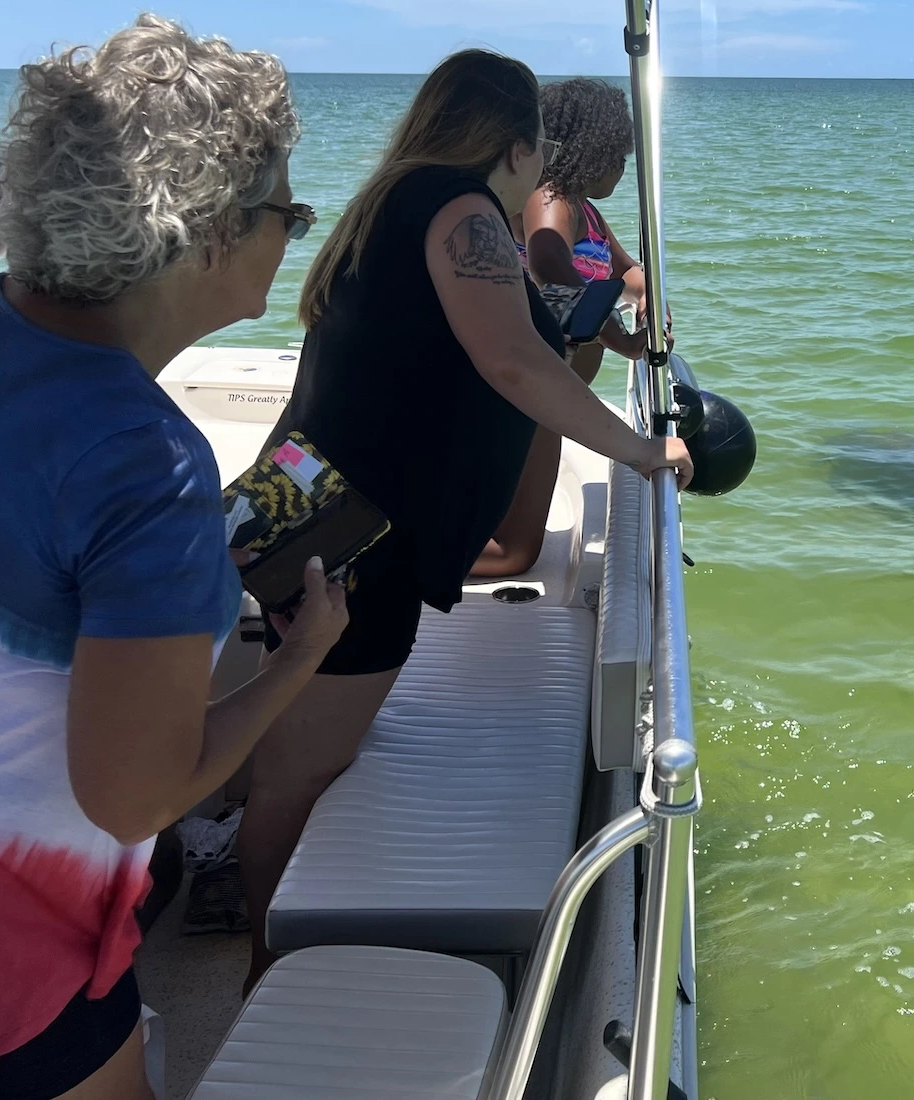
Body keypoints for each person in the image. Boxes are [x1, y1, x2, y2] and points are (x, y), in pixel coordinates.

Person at [235, 49, 693, 991]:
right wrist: (647, 452)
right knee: (301, 772)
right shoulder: (460, 209)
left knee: (291, 748)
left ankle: (253, 923)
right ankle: (262, 971)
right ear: (515, 144)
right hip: (358, 543)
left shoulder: (394, 200)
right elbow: (517, 363)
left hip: (312, 506)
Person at [0, 17, 347, 1100]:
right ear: (209, 235)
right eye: (287, 212)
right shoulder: (149, 465)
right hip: (22, 948)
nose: (293, 235)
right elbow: (132, 798)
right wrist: (300, 656)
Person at [472, 77, 665, 578]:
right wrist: (615, 333)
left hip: (546, 401)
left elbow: (625, 271)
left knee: (510, 533)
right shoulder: (549, 195)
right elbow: (547, 260)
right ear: (591, 149)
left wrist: (647, 297)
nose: (623, 168)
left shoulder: (588, 212)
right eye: (618, 155)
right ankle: (386, 565)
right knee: (515, 551)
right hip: (533, 396)